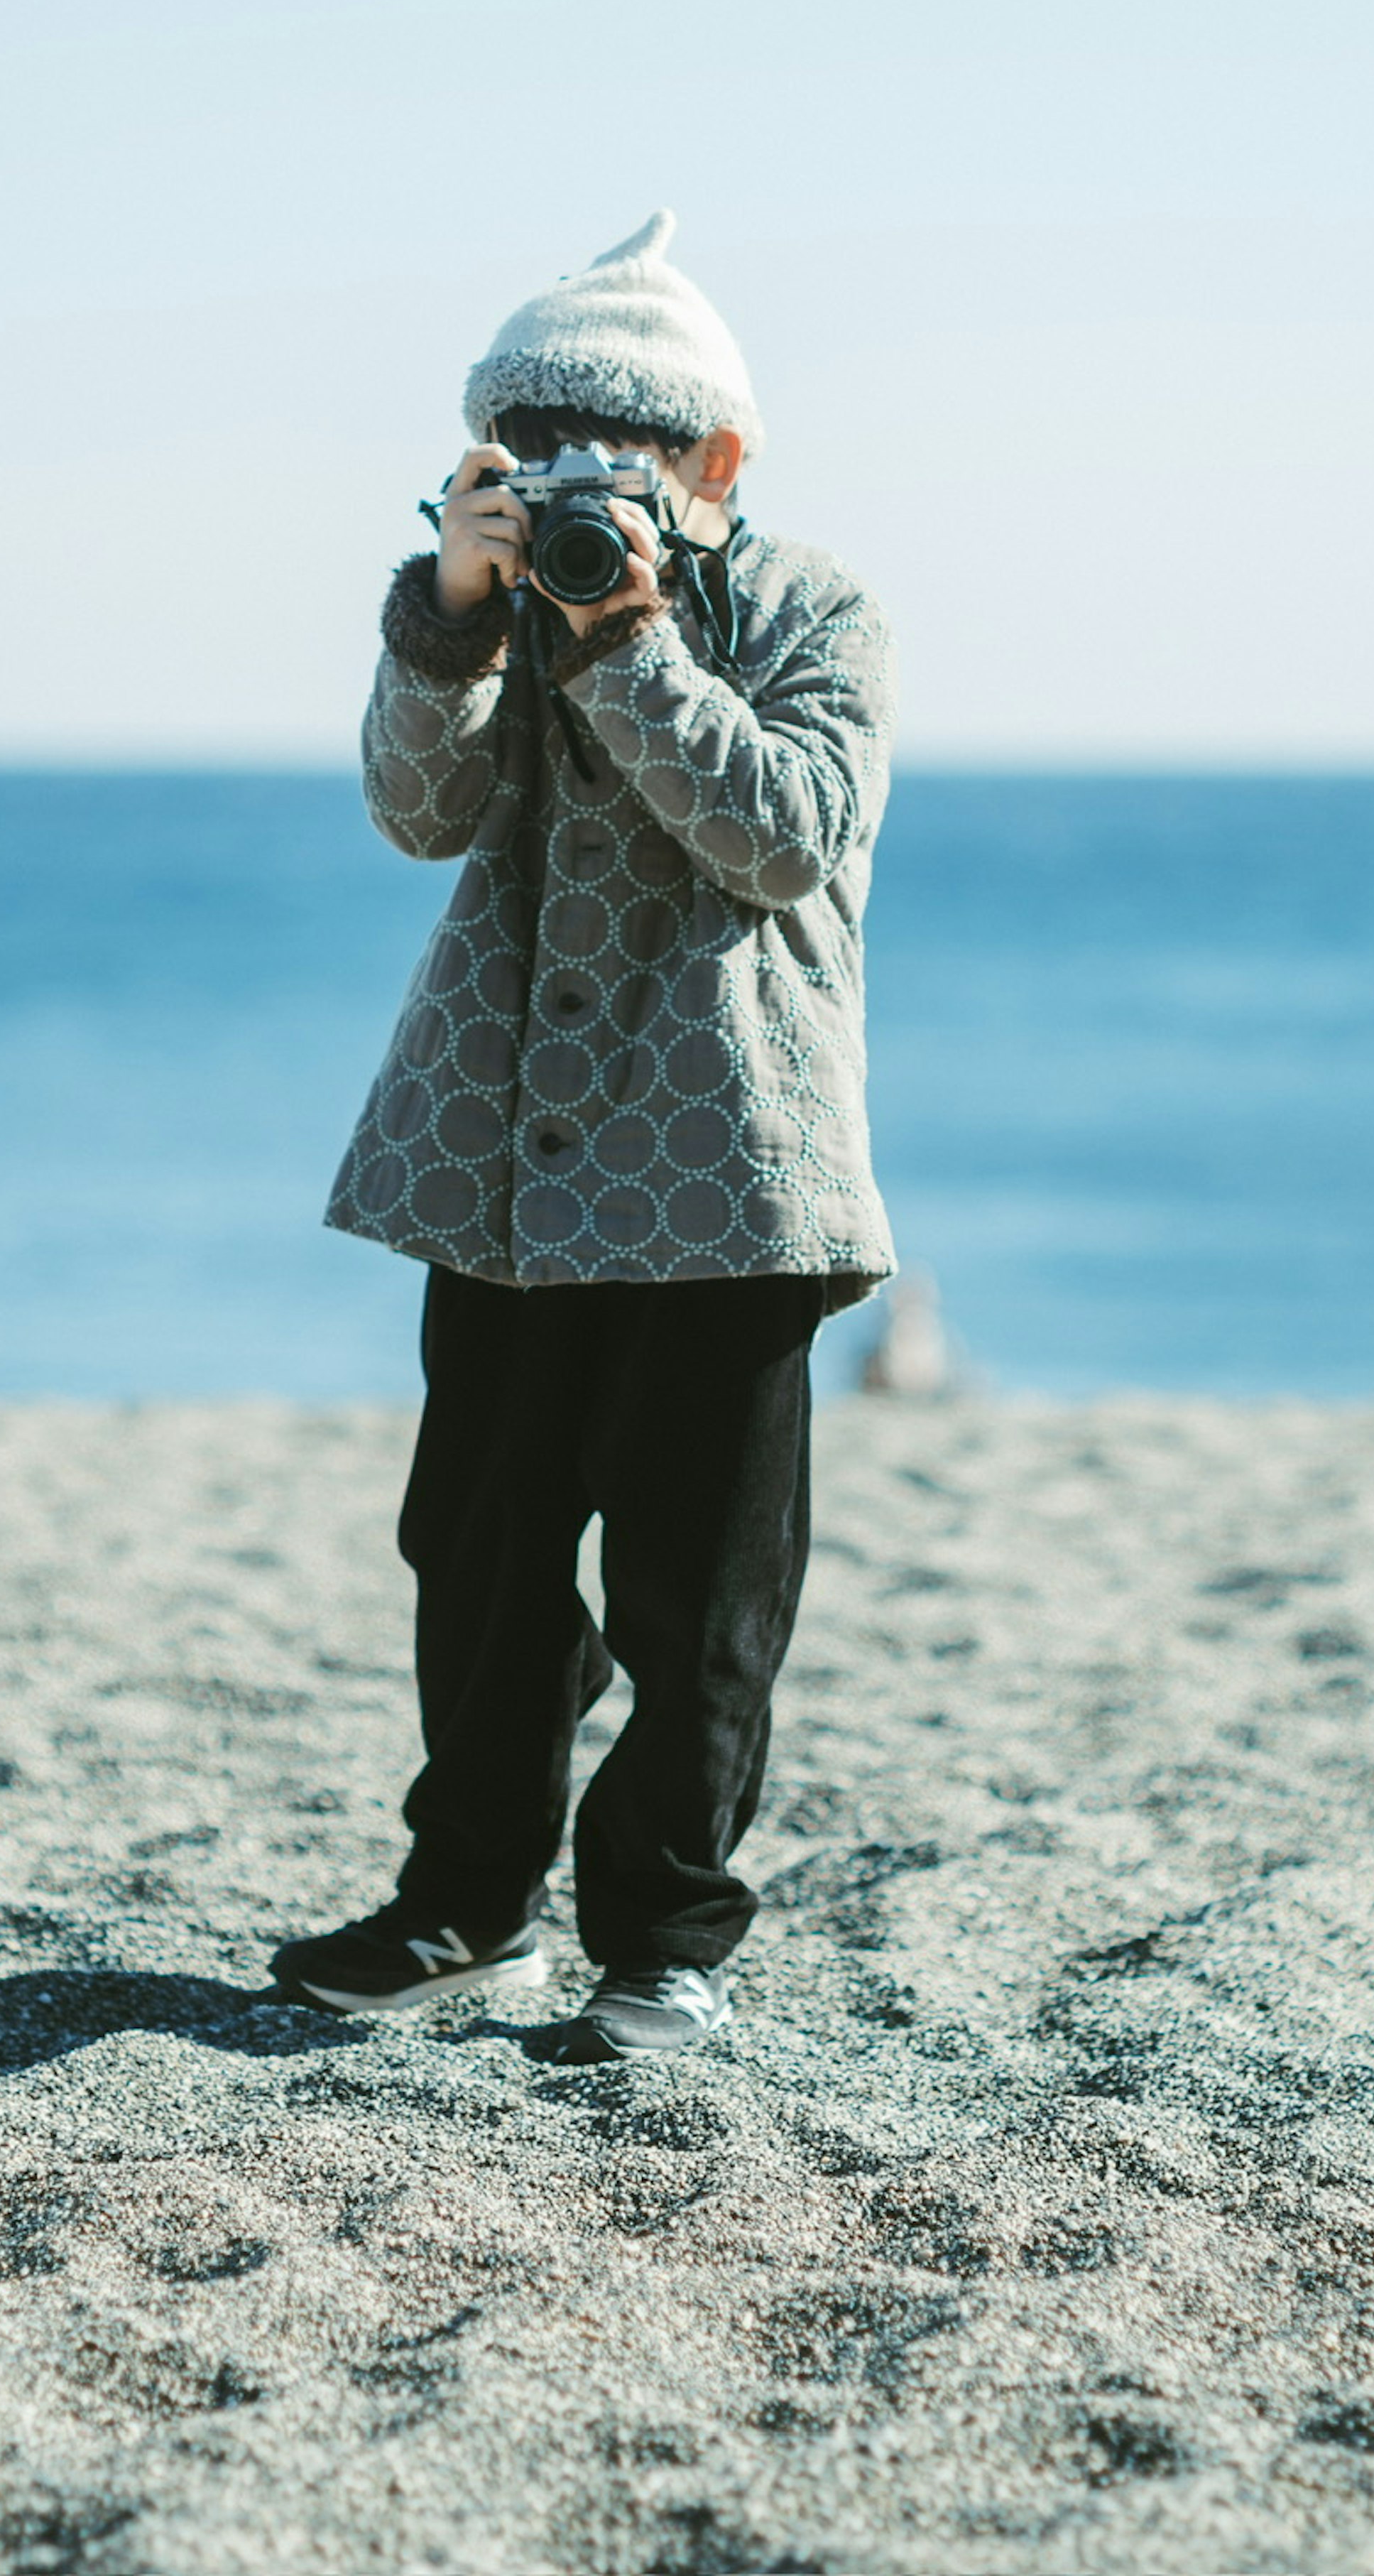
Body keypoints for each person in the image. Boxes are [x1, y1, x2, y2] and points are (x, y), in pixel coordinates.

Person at [273, 211, 898, 2060]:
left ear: (718, 458)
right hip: (505, 1168)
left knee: (703, 1592)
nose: (578, 482)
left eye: (616, 447)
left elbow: (785, 832)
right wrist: (447, 621)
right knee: (475, 1550)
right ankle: (467, 1906)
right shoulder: (497, 610)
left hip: (729, 1172)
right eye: (536, 448)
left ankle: (663, 1944)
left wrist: (625, 631)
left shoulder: (810, 610)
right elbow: (416, 811)